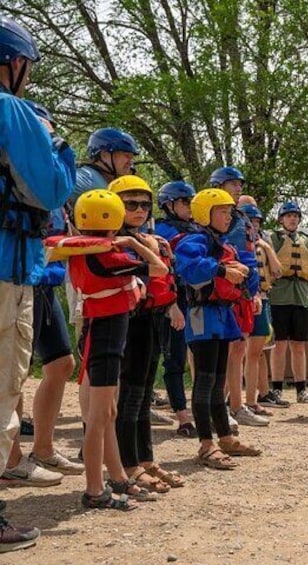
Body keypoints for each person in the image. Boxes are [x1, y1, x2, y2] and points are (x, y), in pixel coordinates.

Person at [0, 14, 76, 551]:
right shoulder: (11, 109)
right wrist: (61, 145)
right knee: (2, 390)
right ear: (14, 62)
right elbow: (50, 189)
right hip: (5, 269)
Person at [69, 189, 167, 510]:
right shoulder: (110, 258)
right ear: (114, 222)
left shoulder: (88, 252)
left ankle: (118, 477)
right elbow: (159, 269)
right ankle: (94, 490)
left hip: (102, 337)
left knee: (107, 413)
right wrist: (134, 243)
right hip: (106, 342)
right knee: (98, 417)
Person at [173, 188, 262, 467]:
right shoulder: (195, 240)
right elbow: (188, 267)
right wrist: (224, 270)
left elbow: (242, 276)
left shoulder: (224, 245)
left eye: (228, 211)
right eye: (222, 211)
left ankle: (224, 437)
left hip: (223, 316)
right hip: (202, 316)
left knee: (217, 382)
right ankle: (206, 444)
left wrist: (246, 275)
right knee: (205, 382)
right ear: (205, 213)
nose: (228, 217)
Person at [109, 175, 185, 492]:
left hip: (151, 319)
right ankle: (128, 464)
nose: (140, 209)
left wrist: (172, 306)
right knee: (129, 395)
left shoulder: (149, 238)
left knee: (142, 396)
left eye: (144, 204)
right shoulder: (112, 240)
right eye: (131, 204)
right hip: (127, 322)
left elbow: (165, 280)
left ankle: (145, 458)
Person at [207, 167, 266, 427]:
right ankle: (218, 407)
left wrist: (254, 292)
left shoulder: (240, 217)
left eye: (240, 183)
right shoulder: (213, 216)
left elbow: (250, 255)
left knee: (240, 346)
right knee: (226, 348)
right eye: (232, 183)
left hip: (246, 287)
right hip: (226, 287)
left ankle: (236, 405)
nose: (238, 187)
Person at [154, 180, 200, 437]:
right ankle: (182, 416)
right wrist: (171, 304)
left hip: (194, 298)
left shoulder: (197, 229)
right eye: (185, 202)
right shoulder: (161, 231)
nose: (189, 206)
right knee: (174, 357)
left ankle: (198, 408)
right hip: (172, 299)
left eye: (191, 202)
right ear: (169, 204)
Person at [268, 201, 308, 405]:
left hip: (302, 296)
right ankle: (276, 389)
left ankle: (302, 390)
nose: (292, 219)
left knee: (299, 345)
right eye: (288, 215)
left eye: (295, 216)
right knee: (279, 344)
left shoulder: (306, 241)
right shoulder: (273, 238)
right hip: (279, 296)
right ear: (281, 219)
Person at [237, 201, 279, 418]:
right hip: (241, 299)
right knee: (235, 353)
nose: (253, 225)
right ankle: (232, 400)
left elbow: (278, 270)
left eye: (256, 222)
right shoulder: (235, 239)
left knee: (255, 352)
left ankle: (251, 401)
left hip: (262, 298)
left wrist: (267, 247)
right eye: (250, 221)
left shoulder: (262, 242)